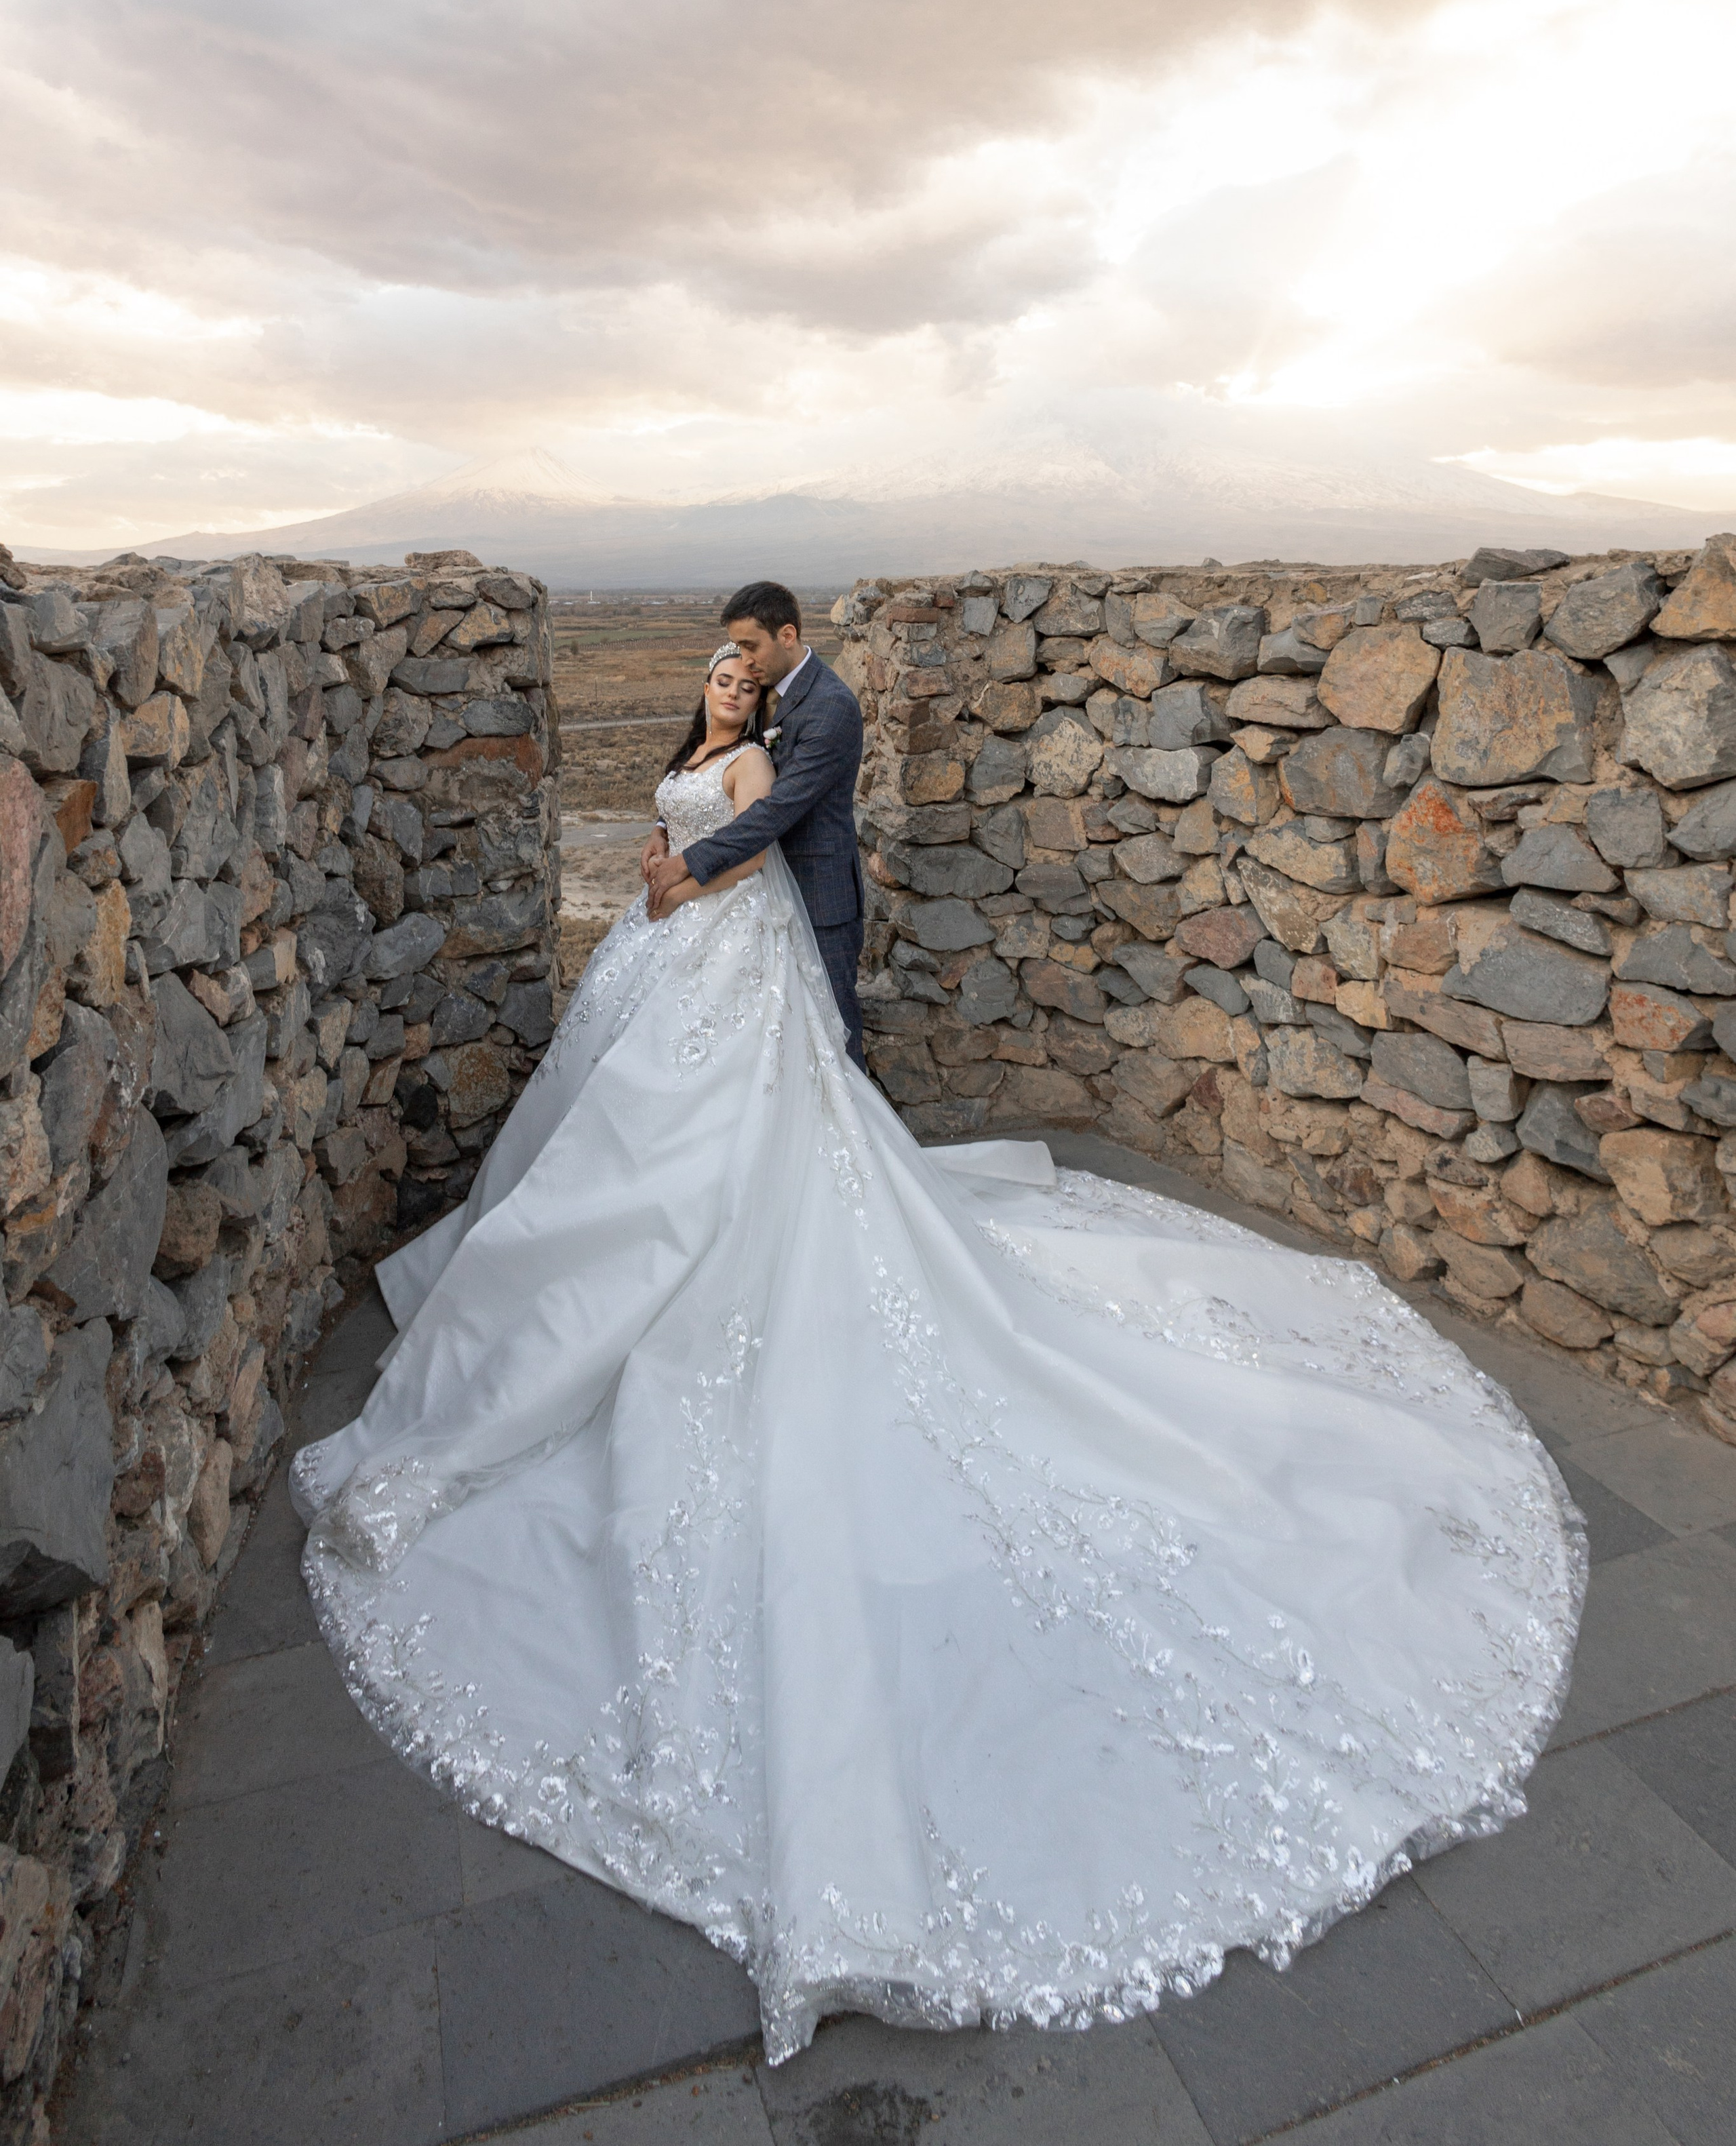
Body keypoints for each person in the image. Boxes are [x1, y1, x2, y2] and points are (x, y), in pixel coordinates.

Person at [291, 632, 1583, 2070]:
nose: (726, 684)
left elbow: (749, 840)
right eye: (712, 671)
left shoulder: (756, 761)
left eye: (741, 672)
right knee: (617, 1164)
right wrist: (661, 880)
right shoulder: (690, 757)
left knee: (717, 1190)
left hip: (719, 964)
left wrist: (681, 872)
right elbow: (690, 843)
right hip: (669, 966)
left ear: (762, 688)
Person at [642, 580, 866, 1064]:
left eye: (751, 646)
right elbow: (709, 762)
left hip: (816, 893)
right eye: (738, 647)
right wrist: (664, 825)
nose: (744, 661)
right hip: (758, 897)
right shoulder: (769, 689)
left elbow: (774, 810)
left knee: (833, 1036)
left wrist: (688, 863)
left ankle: (857, 1136)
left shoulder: (831, 706)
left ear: (787, 635)